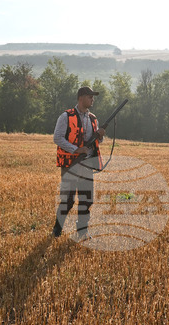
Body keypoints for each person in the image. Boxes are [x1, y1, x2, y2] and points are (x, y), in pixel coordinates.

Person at [53, 86, 107, 240]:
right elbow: (57, 138)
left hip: (87, 165)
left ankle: (82, 232)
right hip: (71, 163)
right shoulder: (66, 116)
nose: (92, 99)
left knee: (86, 199)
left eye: (92, 97)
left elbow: (97, 140)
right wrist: (76, 150)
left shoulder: (93, 118)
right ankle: (57, 230)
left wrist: (101, 135)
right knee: (68, 200)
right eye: (90, 96)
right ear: (81, 97)